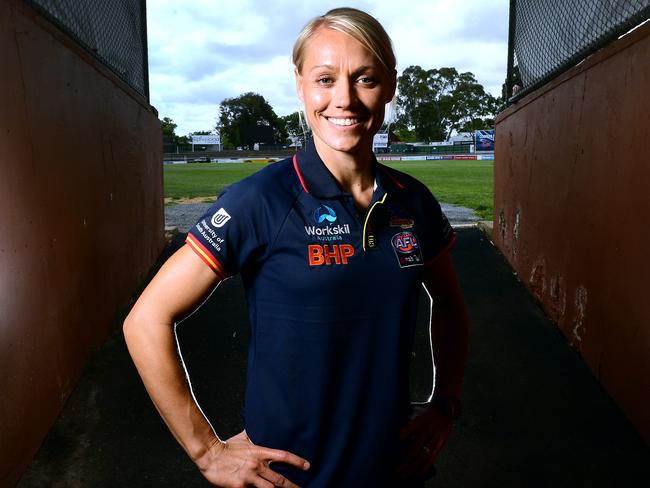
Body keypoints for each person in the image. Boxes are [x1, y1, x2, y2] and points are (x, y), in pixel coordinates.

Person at [124, 7, 469, 487]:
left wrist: (445, 404)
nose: (344, 99)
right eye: (325, 79)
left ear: (389, 85)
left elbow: (451, 306)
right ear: (301, 86)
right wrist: (207, 452)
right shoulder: (261, 200)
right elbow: (145, 320)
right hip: (288, 478)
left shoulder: (413, 202)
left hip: (393, 468)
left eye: (364, 78)